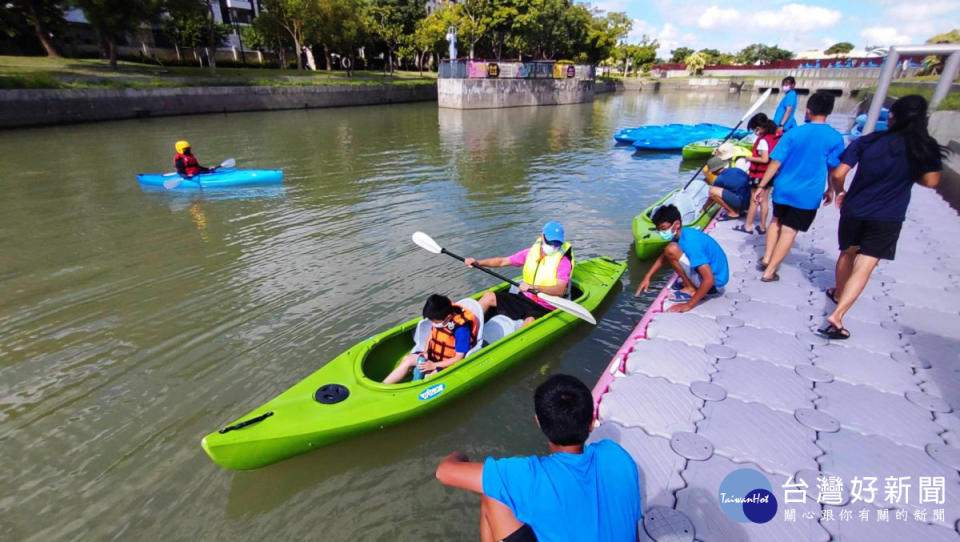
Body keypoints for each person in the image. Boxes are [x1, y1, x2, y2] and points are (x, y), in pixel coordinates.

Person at [435, 374, 641, 542]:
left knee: (494, 492)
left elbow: (444, 471)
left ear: (539, 423)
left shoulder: (529, 476)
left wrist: (459, 455)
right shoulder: (617, 455)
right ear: (591, 422)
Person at [819, 95, 943, 339]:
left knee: (847, 252)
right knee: (865, 265)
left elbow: (839, 173)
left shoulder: (869, 141)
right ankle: (839, 314)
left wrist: (840, 191)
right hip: (888, 215)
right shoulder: (924, 147)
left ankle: (838, 292)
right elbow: (931, 181)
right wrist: (907, 175)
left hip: (855, 208)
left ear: (892, 117)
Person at [754, 91, 845, 282]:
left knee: (776, 221)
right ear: (829, 111)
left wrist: (762, 186)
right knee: (789, 230)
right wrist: (832, 190)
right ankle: (770, 271)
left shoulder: (793, 133)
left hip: (783, 188)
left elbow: (775, 162)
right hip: (807, 194)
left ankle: (766, 257)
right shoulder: (835, 138)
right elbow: (834, 169)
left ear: (808, 110)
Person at [464, 222, 573, 327]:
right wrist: (479, 263)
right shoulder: (530, 252)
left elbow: (560, 290)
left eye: (557, 243)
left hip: (544, 306)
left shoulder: (563, 262)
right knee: (489, 296)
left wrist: (534, 287)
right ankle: (467, 329)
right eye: (550, 242)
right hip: (524, 298)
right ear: (542, 237)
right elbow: (502, 261)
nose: (553, 246)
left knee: (530, 321)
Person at [635, 204, 729, 312]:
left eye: (663, 229)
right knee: (670, 250)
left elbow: (709, 279)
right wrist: (648, 276)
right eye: (659, 230)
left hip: (714, 286)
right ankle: (691, 284)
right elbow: (664, 256)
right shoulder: (683, 233)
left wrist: (688, 305)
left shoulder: (691, 243)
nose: (661, 233)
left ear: (677, 224)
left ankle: (691, 289)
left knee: (671, 249)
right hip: (714, 278)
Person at [382, 294, 479, 384]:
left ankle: (416, 391)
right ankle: (384, 384)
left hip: (448, 363)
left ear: (448, 317)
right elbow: (431, 335)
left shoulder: (461, 330)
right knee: (407, 359)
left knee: (431, 378)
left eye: (435, 322)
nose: (434, 324)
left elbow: (459, 358)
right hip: (433, 357)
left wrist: (434, 366)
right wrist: (425, 352)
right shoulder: (440, 320)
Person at [740, 113, 781, 234]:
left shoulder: (763, 141)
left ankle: (747, 226)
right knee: (764, 201)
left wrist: (749, 158)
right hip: (770, 175)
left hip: (760, 176)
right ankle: (762, 226)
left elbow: (764, 159)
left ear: (758, 128)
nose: (754, 132)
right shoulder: (773, 137)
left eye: (754, 130)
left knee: (754, 200)